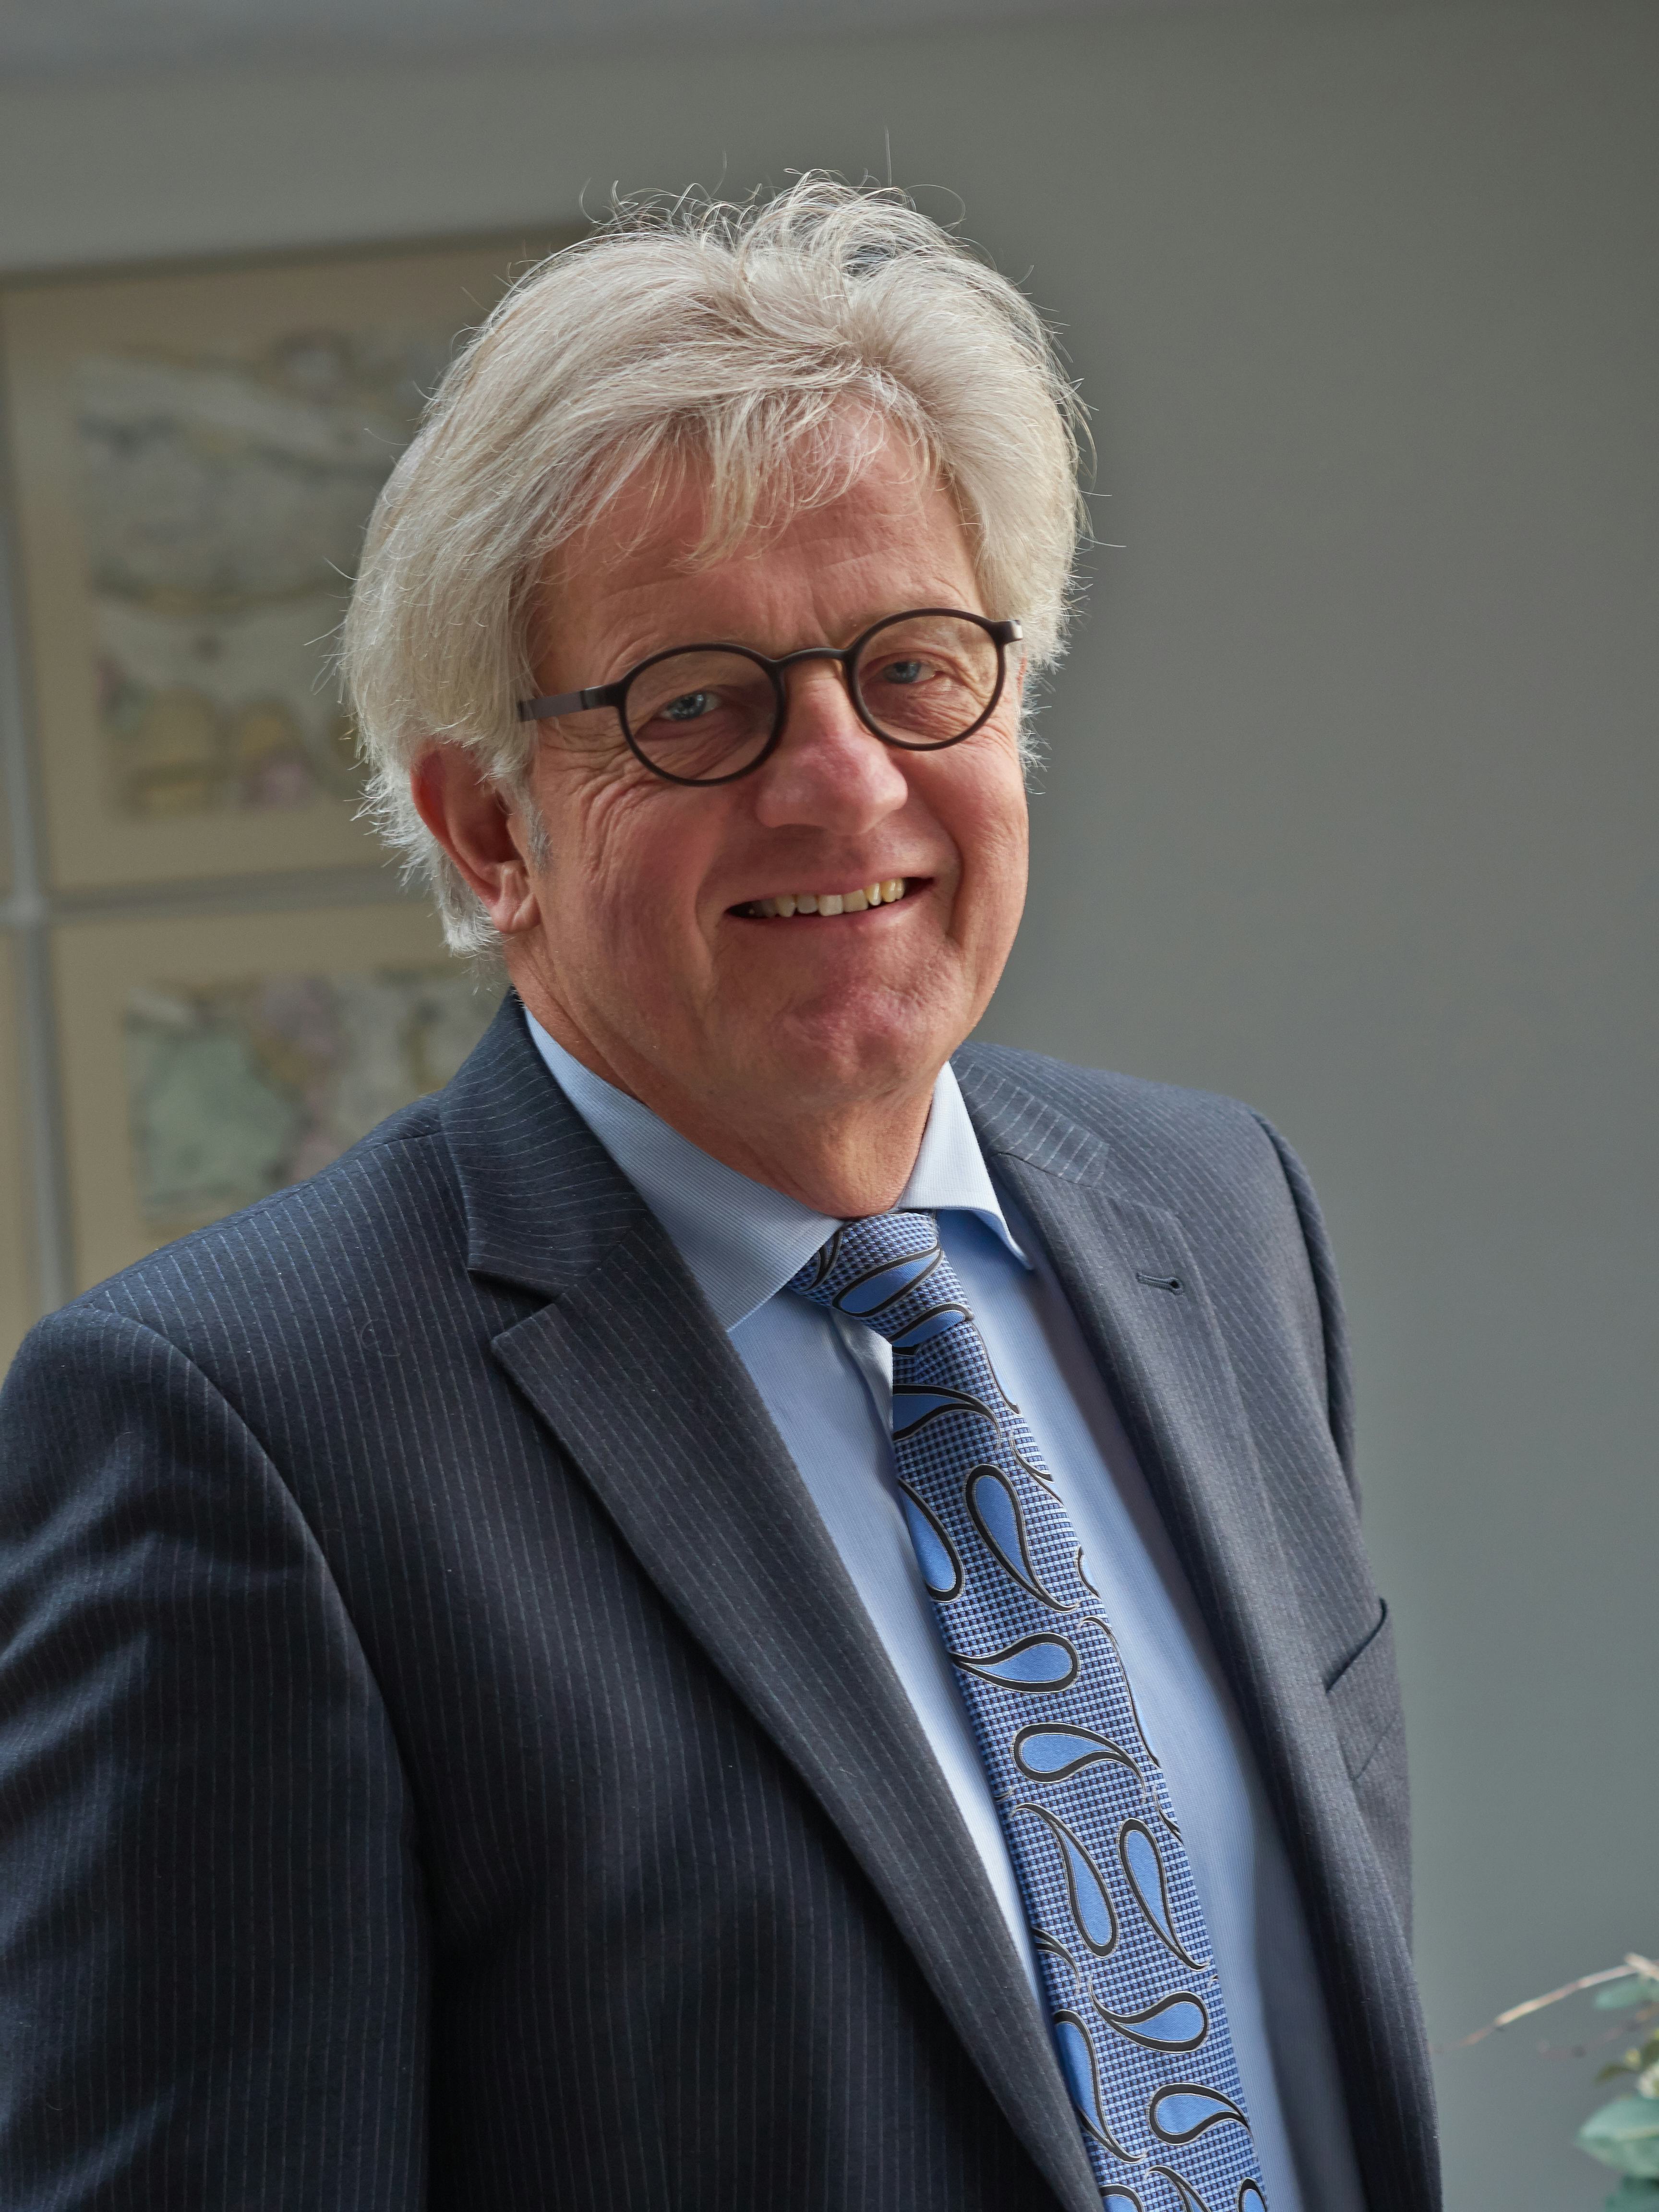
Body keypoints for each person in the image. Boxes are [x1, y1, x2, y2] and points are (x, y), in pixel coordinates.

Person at [0, 180, 1437, 2212]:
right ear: (487, 826)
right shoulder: (236, 1432)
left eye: (914, 667)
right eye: (696, 701)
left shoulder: (1218, 1217)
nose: (842, 780)